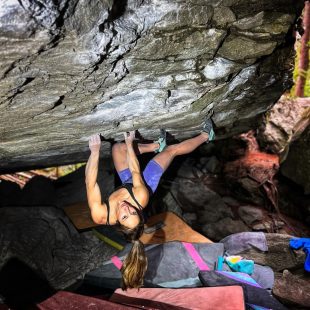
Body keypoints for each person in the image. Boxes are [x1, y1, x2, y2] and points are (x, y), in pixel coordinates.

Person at [85, 117, 215, 289]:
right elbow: (135, 170)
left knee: (117, 148)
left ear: (118, 222)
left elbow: (90, 183)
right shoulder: (140, 198)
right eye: (133, 213)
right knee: (172, 150)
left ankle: (155, 146)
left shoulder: (101, 215)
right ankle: (207, 135)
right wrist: (130, 143)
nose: (127, 208)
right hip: (143, 183)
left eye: (125, 215)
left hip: (127, 183)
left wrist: (94, 152)